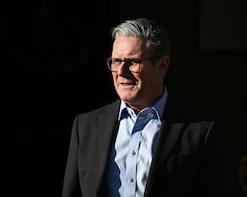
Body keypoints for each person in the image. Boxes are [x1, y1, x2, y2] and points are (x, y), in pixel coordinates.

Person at [61, 18, 229, 197]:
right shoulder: (86, 126)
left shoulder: (199, 130)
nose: (120, 72)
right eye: (116, 61)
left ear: (163, 65)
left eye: (132, 62)